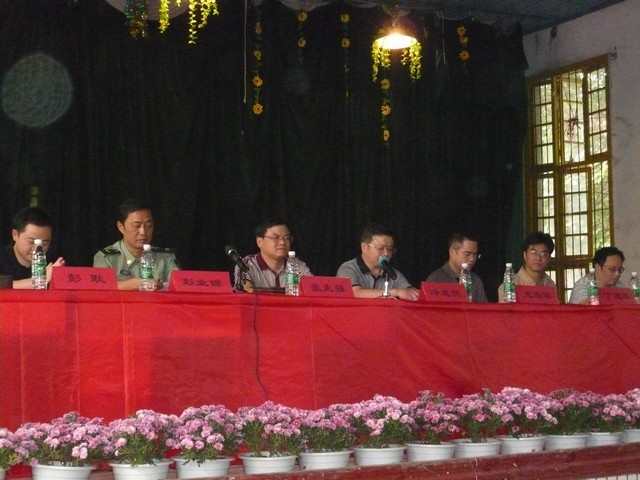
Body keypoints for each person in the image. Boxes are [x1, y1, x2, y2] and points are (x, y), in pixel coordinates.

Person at [93, 199, 178, 291]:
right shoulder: (107, 258)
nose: (143, 232)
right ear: (121, 227)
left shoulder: (165, 257)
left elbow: (180, 287)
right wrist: (133, 284)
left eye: (149, 226)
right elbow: (99, 289)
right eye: (136, 226)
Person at [336, 223, 419, 301]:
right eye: (380, 248)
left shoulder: (393, 273)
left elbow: (409, 291)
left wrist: (412, 292)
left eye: (390, 249)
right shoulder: (348, 268)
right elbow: (354, 292)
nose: (386, 253)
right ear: (364, 247)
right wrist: (394, 292)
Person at [233, 219, 312, 291]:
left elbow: (312, 292)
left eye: (286, 238)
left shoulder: (297, 266)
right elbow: (246, 293)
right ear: (259, 242)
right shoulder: (246, 265)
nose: (282, 242)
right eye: (275, 237)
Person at [0, 207, 65, 289]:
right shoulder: (2, 258)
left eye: (44, 243)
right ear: (15, 235)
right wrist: (42, 279)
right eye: (31, 242)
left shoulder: (54, 260)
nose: (37, 249)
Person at [425, 232, 487, 302]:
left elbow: (483, 308)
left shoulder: (476, 281)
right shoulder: (435, 279)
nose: (472, 259)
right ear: (452, 252)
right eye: (467, 254)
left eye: (474, 254)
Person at [498, 231, 556, 302]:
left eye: (543, 254)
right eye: (533, 252)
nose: (538, 258)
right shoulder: (509, 286)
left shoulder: (550, 285)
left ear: (549, 258)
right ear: (525, 255)